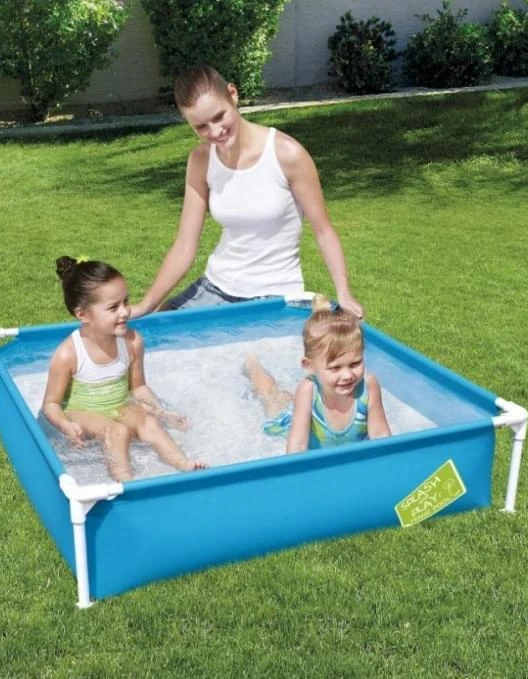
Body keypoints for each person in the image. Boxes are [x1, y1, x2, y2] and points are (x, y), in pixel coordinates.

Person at [130, 64, 364, 320]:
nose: (215, 132)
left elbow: (323, 230)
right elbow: (185, 245)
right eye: (201, 127)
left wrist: (344, 292)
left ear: (233, 94)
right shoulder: (201, 160)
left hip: (274, 295)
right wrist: (146, 305)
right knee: (154, 334)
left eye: (219, 117)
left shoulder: (287, 154)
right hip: (215, 288)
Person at [41, 256, 206, 481]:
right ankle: (125, 482)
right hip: (82, 412)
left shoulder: (132, 342)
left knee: (149, 423)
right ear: (83, 315)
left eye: (125, 302)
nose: (124, 312)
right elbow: (50, 404)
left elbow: (138, 388)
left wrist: (160, 411)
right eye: (113, 307)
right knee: (116, 431)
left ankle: (184, 464)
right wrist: (65, 425)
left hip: (119, 406)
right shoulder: (68, 354)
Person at [244, 296, 391, 453]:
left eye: (355, 364)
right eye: (335, 368)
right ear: (309, 365)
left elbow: (381, 436)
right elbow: (298, 446)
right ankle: (252, 364)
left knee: (288, 398)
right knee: (273, 397)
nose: (347, 375)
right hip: (295, 423)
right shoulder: (308, 390)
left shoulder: (368, 385)